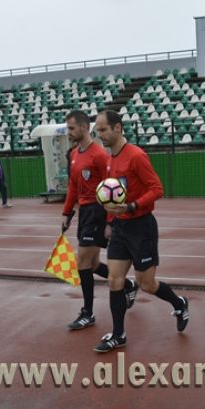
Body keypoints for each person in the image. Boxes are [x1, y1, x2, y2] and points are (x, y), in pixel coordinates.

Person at [92, 110, 190, 352]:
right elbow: (109, 193)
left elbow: (157, 189)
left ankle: (179, 303)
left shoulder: (136, 156)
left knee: (146, 283)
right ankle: (118, 335)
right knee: (115, 280)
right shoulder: (108, 159)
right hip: (120, 227)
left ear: (118, 128)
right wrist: (108, 221)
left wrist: (133, 206)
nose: (100, 135)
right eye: (98, 131)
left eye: (103, 129)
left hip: (141, 227)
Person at [61, 110, 138, 330]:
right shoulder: (74, 154)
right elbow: (73, 186)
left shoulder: (99, 155)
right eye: (68, 128)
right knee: (92, 264)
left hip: (97, 210)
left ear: (85, 128)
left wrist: (109, 220)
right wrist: (67, 213)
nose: (69, 132)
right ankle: (128, 284)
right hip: (84, 212)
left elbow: (112, 188)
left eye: (72, 128)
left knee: (82, 262)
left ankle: (88, 313)